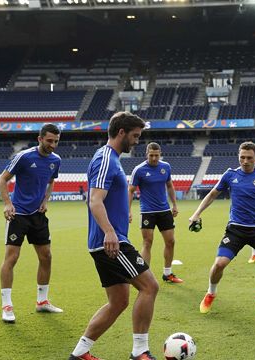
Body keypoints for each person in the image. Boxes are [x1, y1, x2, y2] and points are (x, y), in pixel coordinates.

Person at [69, 112, 159, 360]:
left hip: (107, 240)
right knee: (150, 287)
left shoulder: (112, 158)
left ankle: (80, 353)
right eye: (135, 136)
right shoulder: (106, 158)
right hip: (111, 242)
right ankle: (140, 352)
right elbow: (95, 200)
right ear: (121, 132)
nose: (137, 141)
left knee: (118, 301)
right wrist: (110, 232)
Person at [189, 142, 255, 317]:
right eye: (242, 157)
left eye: (249, 158)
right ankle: (211, 293)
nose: (245, 161)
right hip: (236, 230)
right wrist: (196, 213)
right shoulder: (230, 175)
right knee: (219, 264)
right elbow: (212, 195)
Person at [0, 123, 63, 324]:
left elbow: (51, 180)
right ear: (40, 139)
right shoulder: (24, 157)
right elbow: (2, 180)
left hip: (38, 215)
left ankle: (42, 302)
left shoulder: (56, 160)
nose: (53, 145)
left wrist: (46, 200)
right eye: (50, 141)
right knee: (12, 258)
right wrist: (8, 204)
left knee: (46, 257)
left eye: (56, 141)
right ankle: (7, 305)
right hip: (18, 214)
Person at [128, 142, 183, 284]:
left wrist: (174, 204)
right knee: (147, 242)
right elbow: (130, 190)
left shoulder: (165, 167)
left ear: (160, 154)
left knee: (171, 242)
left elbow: (170, 186)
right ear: (147, 154)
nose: (154, 158)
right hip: (147, 212)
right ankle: (144, 277)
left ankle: (168, 273)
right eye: (151, 155)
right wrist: (128, 211)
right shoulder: (139, 170)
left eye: (156, 155)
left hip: (164, 211)